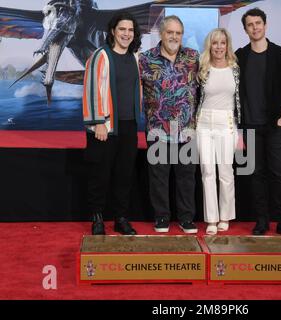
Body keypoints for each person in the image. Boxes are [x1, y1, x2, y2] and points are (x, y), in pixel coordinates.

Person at [235, 8, 281, 236]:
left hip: (276, 126)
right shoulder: (239, 56)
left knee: (280, 173)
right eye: (250, 24)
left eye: (258, 23)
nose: (255, 27)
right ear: (245, 30)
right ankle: (261, 220)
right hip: (250, 127)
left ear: (265, 25)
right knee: (256, 175)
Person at [82, 12, 142, 235]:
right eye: (122, 29)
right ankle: (97, 218)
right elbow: (91, 89)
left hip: (128, 125)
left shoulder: (135, 57)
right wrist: (98, 122)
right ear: (113, 32)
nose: (126, 34)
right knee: (100, 174)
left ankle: (121, 218)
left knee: (124, 175)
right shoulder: (101, 56)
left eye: (130, 30)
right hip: (105, 127)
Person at [140, 15, 199, 234]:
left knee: (186, 177)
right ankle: (162, 217)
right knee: (159, 177)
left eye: (178, 33)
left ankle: (186, 218)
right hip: (158, 129)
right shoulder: (145, 59)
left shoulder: (193, 58)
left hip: (187, 130)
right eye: (170, 32)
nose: (174, 36)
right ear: (161, 34)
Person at [196, 28, 240, 235]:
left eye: (223, 43)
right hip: (204, 123)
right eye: (215, 43)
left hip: (227, 123)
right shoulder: (202, 68)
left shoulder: (236, 68)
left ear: (227, 45)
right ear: (210, 46)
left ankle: (225, 216)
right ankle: (211, 219)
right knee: (207, 172)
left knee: (225, 172)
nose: (219, 47)